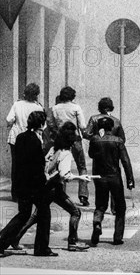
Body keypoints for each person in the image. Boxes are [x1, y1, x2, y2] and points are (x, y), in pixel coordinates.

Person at [11, 122, 91, 252]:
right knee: (75, 212)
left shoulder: (53, 149)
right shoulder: (66, 153)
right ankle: (72, 242)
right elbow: (65, 175)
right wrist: (81, 178)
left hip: (46, 186)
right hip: (55, 188)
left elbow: (45, 164)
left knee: (37, 215)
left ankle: (16, 237)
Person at [0, 111, 55, 257]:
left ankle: (1, 241)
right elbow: (37, 164)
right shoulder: (35, 140)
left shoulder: (20, 137)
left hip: (21, 183)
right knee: (44, 213)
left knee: (23, 215)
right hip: (34, 185)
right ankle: (41, 248)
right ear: (41, 124)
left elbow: (18, 163)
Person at [88, 117, 134, 246]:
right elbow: (125, 161)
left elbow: (91, 155)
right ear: (111, 127)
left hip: (99, 177)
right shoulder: (118, 141)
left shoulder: (95, 140)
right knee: (120, 207)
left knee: (100, 205)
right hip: (114, 177)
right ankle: (117, 237)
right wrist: (130, 179)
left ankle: (97, 224)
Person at [83, 97, 125, 215]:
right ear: (110, 107)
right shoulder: (116, 121)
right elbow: (123, 139)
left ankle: (100, 208)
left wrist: (96, 140)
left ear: (100, 107)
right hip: (113, 156)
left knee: (100, 182)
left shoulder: (94, 119)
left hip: (98, 156)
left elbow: (86, 133)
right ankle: (114, 208)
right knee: (115, 180)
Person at [49, 86, 89, 206]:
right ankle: (83, 195)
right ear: (72, 96)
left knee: (60, 166)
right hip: (75, 139)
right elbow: (82, 125)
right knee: (81, 166)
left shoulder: (55, 108)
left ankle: (60, 193)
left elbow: (51, 124)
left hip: (61, 140)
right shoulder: (76, 108)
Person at [5, 83, 44, 201]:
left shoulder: (17, 104)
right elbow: (43, 125)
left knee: (16, 165)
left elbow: (9, 119)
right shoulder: (38, 107)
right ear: (37, 95)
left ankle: (15, 193)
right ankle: (29, 191)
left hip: (16, 137)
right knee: (31, 165)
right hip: (33, 138)